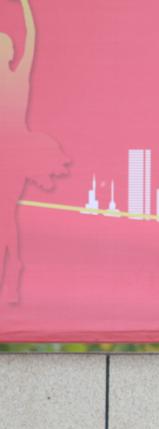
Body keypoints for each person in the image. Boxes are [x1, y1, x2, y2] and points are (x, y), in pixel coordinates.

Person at [1, 0, 69, 304]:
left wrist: (25, 5)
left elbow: (31, 37)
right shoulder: (16, 80)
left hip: (12, 156)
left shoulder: (18, 79)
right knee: (5, 215)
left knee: (5, 214)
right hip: (10, 153)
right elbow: (29, 38)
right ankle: (13, 271)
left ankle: (12, 274)